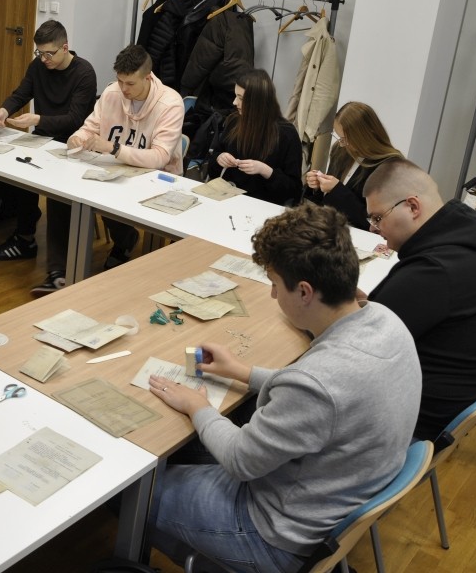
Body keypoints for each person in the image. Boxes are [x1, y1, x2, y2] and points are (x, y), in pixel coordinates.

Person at [147, 202, 421, 572]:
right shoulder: (385, 319)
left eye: (276, 285)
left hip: (274, 534)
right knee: (191, 448)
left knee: (137, 489)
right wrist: (241, 371)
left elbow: (241, 459)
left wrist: (198, 407)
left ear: (305, 292)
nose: (274, 296)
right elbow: (326, 398)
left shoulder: (316, 383)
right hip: (335, 497)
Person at [364, 158, 476, 443]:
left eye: (378, 218)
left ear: (413, 207)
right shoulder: (463, 247)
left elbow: (356, 341)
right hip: (438, 404)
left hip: (405, 426)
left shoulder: (434, 272)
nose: (374, 228)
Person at [0, 20, 97, 296]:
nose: (44, 59)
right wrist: (4, 110)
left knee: (58, 196)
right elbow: (21, 93)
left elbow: (76, 119)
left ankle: (58, 271)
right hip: (41, 140)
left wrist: (37, 119)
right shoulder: (38, 66)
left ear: (65, 48)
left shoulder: (84, 73)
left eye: (49, 53)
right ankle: (25, 238)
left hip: (73, 144)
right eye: (40, 53)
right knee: (1, 171)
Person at [67, 44, 183, 270]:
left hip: (157, 178)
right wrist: (77, 138)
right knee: (81, 194)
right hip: (116, 171)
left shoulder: (170, 103)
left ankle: (131, 246)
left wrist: (114, 148)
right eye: (120, 81)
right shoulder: (112, 93)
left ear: (148, 78)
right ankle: (122, 241)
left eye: (130, 83)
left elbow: (160, 157)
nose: (123, 88)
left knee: (107, 198)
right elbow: (89, 127)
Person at [207, 68, 302, 205]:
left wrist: (266, 171)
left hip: (262, 205)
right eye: (236, 96)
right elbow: (212, 166)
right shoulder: (234, 121)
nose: (234, 102)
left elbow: (294, 190)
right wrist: (219, 158)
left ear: (257, 101)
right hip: (226, 199)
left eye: (241, 98)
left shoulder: (286, 134)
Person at [305, 101, 403, 230]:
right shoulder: (341, 150)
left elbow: (377, 223)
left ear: (365, 134)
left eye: (345, 139)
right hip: (331, 230)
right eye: (339, 138)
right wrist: (317, 186)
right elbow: (326, 202)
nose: (341, 144)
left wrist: (336, 190)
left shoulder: (390, 165)